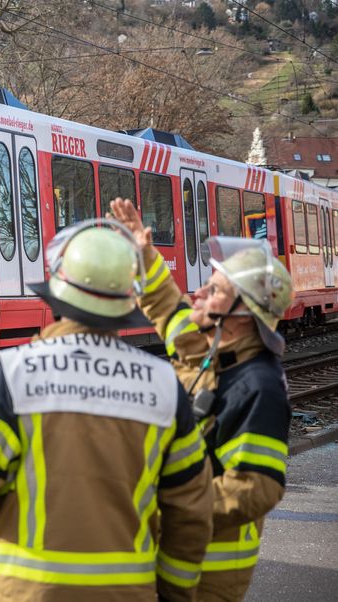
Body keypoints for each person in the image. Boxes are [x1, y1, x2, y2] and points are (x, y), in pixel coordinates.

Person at [0, 221, 213, 601]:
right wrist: (174, 592)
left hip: (25, 591)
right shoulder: (164, 385)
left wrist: (2, 525)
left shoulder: (17, 373)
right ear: (128, 304)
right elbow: (191, 512)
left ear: (58, 291)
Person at [110, 198, 293, 602]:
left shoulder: (257, 386)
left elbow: (255, 488)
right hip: (174, 557)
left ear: (243, 314)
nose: (199, 292)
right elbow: (167, 307)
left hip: (208, 572)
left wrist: (165, 508)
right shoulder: (209, 351)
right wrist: (144, 253)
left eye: (215, 290)